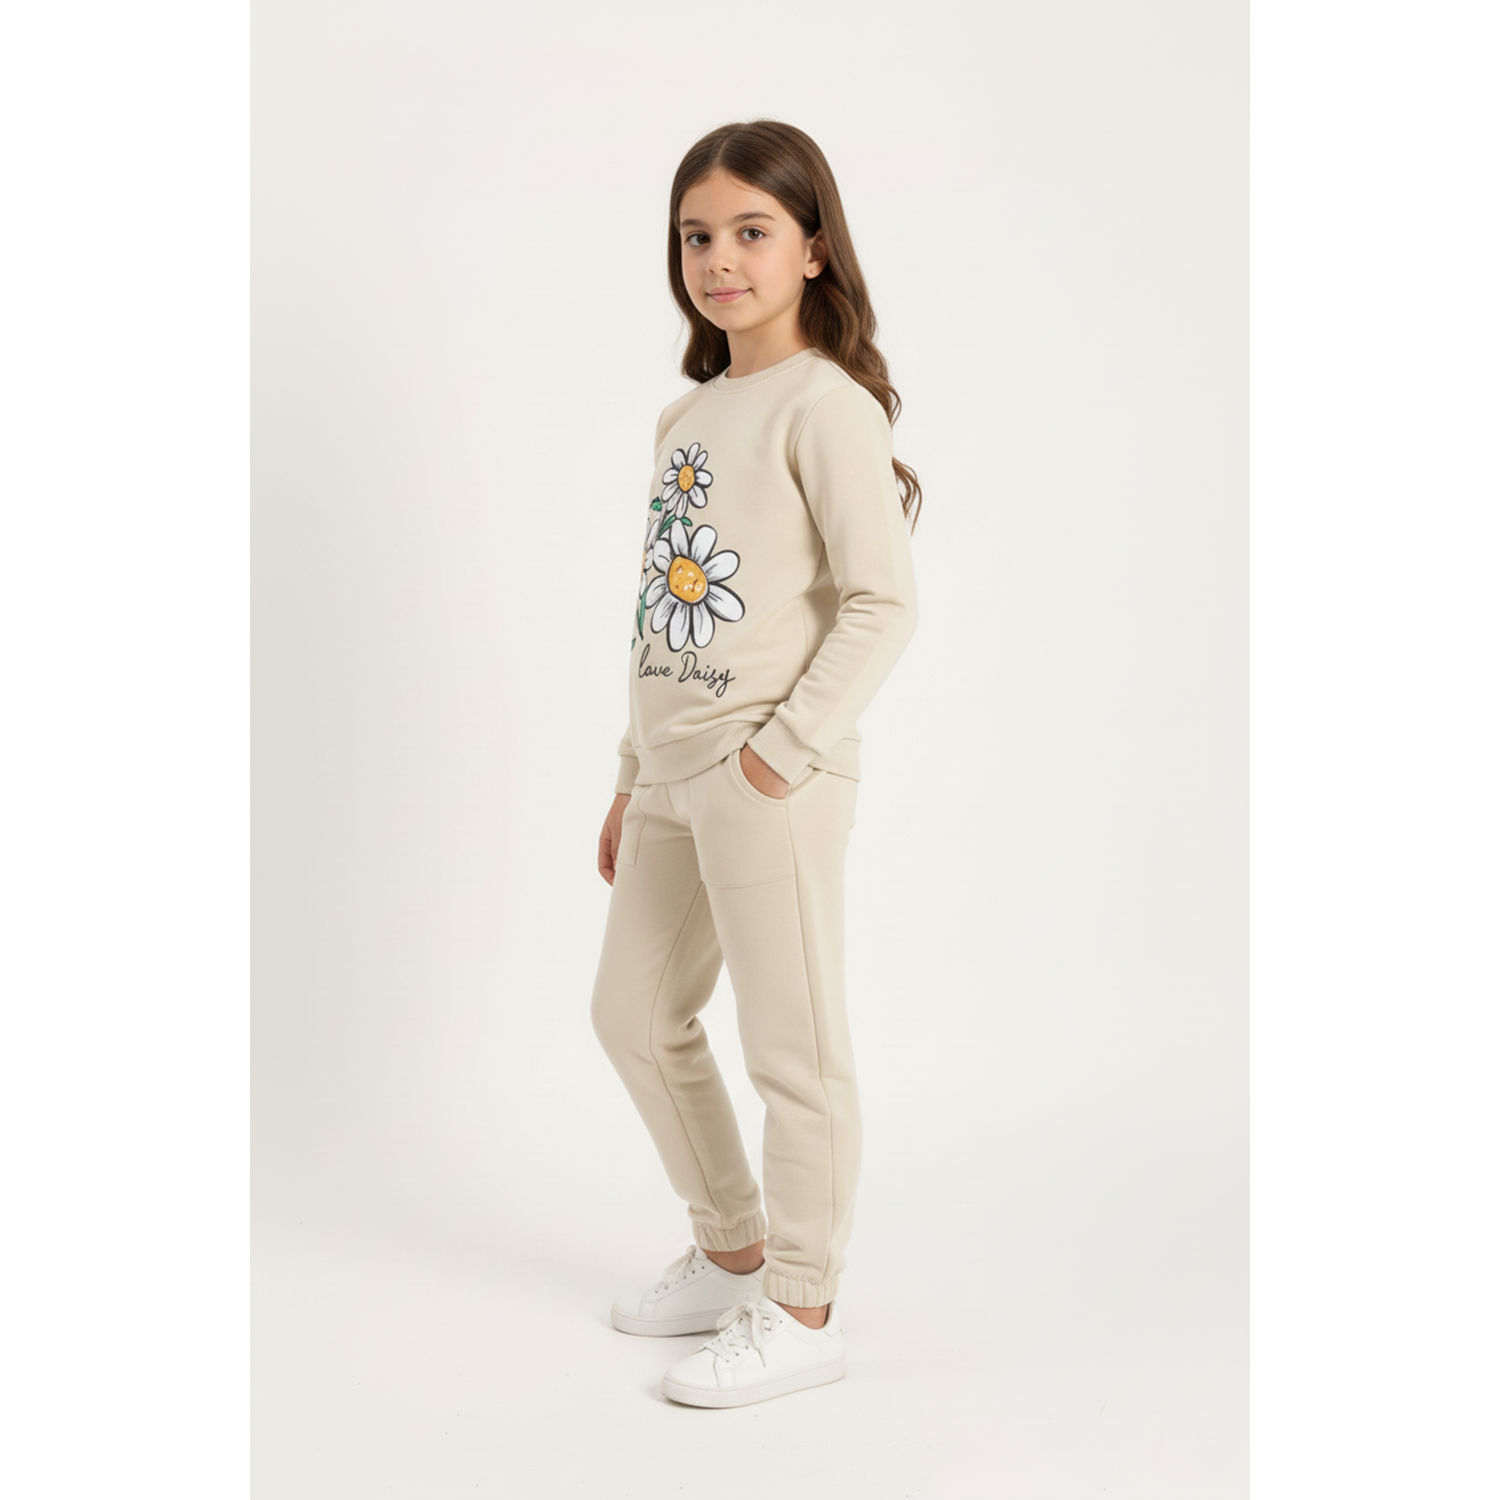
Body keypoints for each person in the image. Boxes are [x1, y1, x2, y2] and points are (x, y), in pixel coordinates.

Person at [590, 118, 922, 1409]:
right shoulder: (687, 414)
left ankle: (800, 1305)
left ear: (814, 249)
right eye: (697, 236)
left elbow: (882, 604)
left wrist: (781, 756)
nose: (718, 260)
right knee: (632, 1015)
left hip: (766, 768)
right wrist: (632, 773)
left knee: (795, 1047)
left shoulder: (826, 406)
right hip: (674, 774)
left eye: (751, 232)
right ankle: (732, 1249)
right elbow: (660, 613)